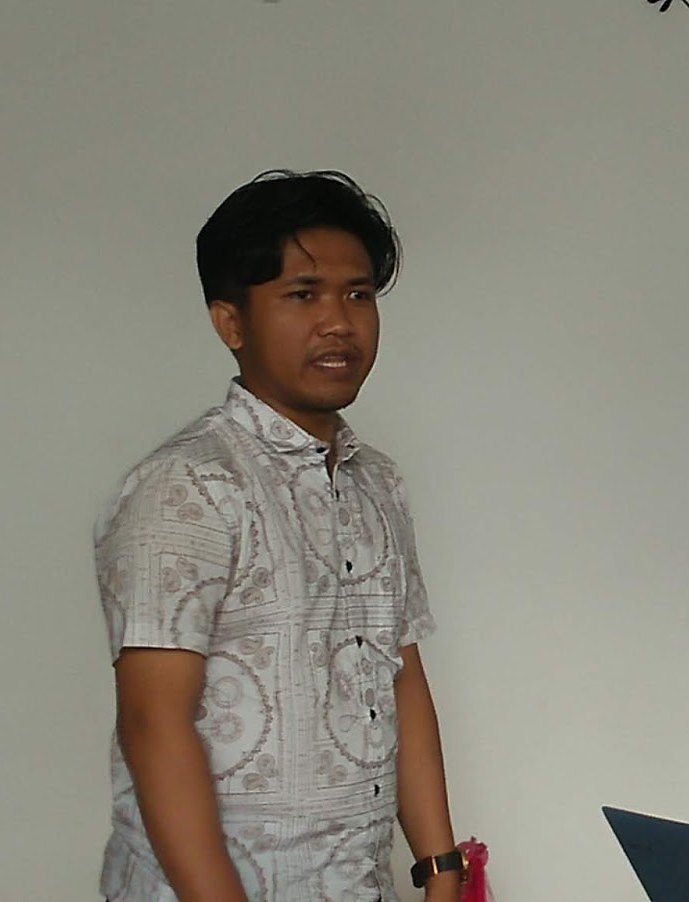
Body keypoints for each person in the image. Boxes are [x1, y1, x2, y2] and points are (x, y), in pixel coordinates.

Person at [92, 170, 463, 901]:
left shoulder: (378, 482)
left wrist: (441, 867)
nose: (338, 323)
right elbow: (153, 722)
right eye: (303, 295)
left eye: (358, 295)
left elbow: (402, 677)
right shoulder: (189, 485)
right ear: (231, 323)